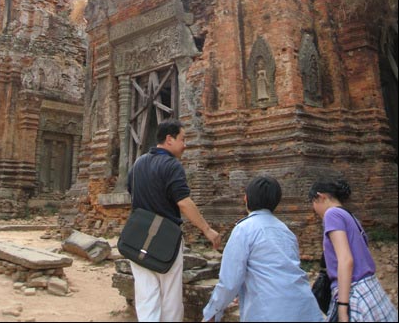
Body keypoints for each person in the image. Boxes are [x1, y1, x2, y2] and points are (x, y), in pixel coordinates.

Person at [127, 119, 221, 322]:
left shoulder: (138, 164)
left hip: (137, 238)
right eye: (182, 139)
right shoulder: (172, 166)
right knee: (170, 298)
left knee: (146, 296)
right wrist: (207, 229)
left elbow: (131, 192)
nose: (185, 144)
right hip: (165, 239)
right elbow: (184, 203)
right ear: (169, 140)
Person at [202, 175, 324, 322]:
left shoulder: (244, 229)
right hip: (304, 308)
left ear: (246, 198)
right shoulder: (286, 231)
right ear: (276, 202)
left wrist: (212, 312)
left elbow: (229, 281)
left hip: (270, 312)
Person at [308, 177, 398, 322]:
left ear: (320, 197)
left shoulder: (332, 214)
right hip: (369, 288)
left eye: (312, 202)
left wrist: (343, 306)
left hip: (353, 291)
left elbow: (345, 260)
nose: (313, 208)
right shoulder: (350, 216)